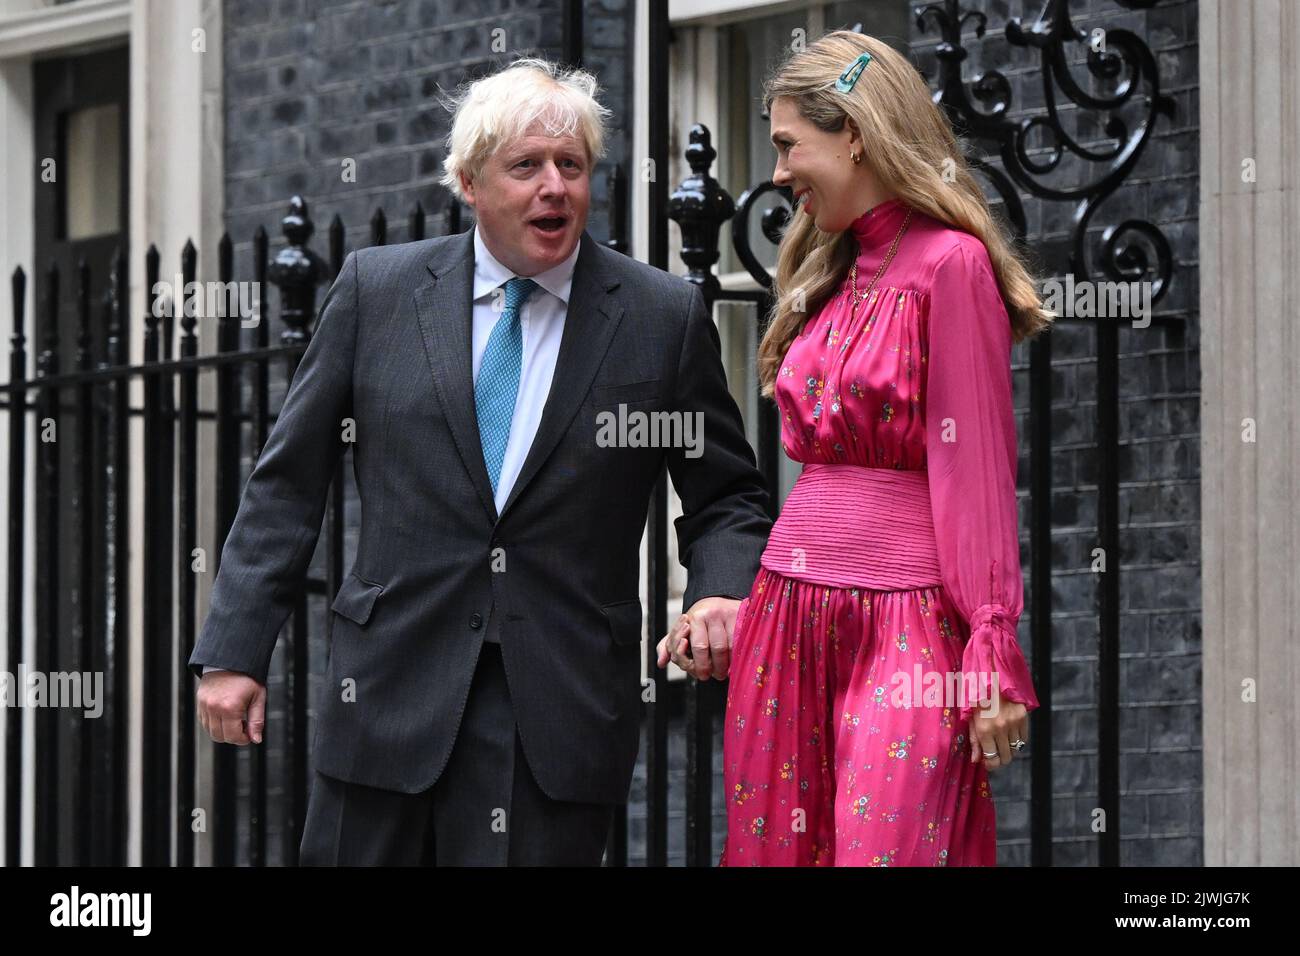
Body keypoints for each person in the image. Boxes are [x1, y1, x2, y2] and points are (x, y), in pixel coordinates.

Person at [190, 57, 771, 866]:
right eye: (526, 166)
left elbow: (727, 496)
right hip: (387, 694)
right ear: (469, 180)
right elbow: (288, 482)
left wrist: (720, 592)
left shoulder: (658, 316)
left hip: (556, 713)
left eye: (571, 166)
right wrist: (233, 651)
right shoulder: (377, 292)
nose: (555, 188)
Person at [658, 31, 1051, 866]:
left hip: (905, 624)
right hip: (788, 613)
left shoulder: (953, 267)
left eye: (787, 144)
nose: (776, 174)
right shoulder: (827, 273)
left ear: (856, 135)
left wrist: (989, 646)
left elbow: (973, 469)